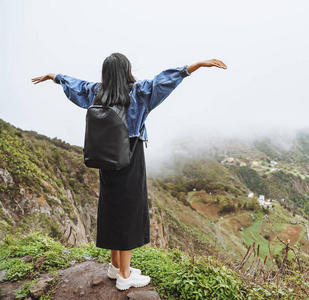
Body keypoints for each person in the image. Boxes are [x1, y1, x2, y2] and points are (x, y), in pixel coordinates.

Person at [31, 53, 227, 290]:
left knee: (112, 210)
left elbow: (75, 85)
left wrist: (54, 76)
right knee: (128, 214)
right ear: (127, 71)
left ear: (106, 72)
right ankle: (125, 275)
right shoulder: (139, 93)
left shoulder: (97, 92)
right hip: (130, 159)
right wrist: (196, 66)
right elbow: (164, 80)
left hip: (105, 160)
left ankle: (115, 267)